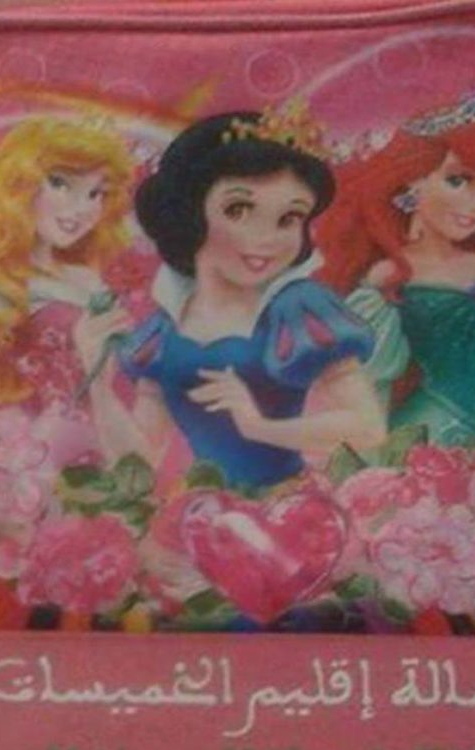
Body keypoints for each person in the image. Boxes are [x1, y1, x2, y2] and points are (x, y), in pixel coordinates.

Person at [78, 107, 386, 491]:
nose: (266, 238)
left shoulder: (298, 309)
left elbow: (367, 427)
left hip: (289, 507)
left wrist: (259, 427)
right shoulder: (164, 330)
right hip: (199, 509)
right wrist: (98, 383)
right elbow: (140, 463)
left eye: (289, 218)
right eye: (239, 210)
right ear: (191, 212)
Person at [316, 85, 475, 447]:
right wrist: (372, 460)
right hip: (425, 436)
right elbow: (372, 383)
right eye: (458, 181)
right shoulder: (389, 276)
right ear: (413, 180)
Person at [0, 115, 135, 467]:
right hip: (38, 464)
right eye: (60, 183)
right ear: (20, 184)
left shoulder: (86, 279)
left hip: (111, 449)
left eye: (95, 193)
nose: (81, 208)